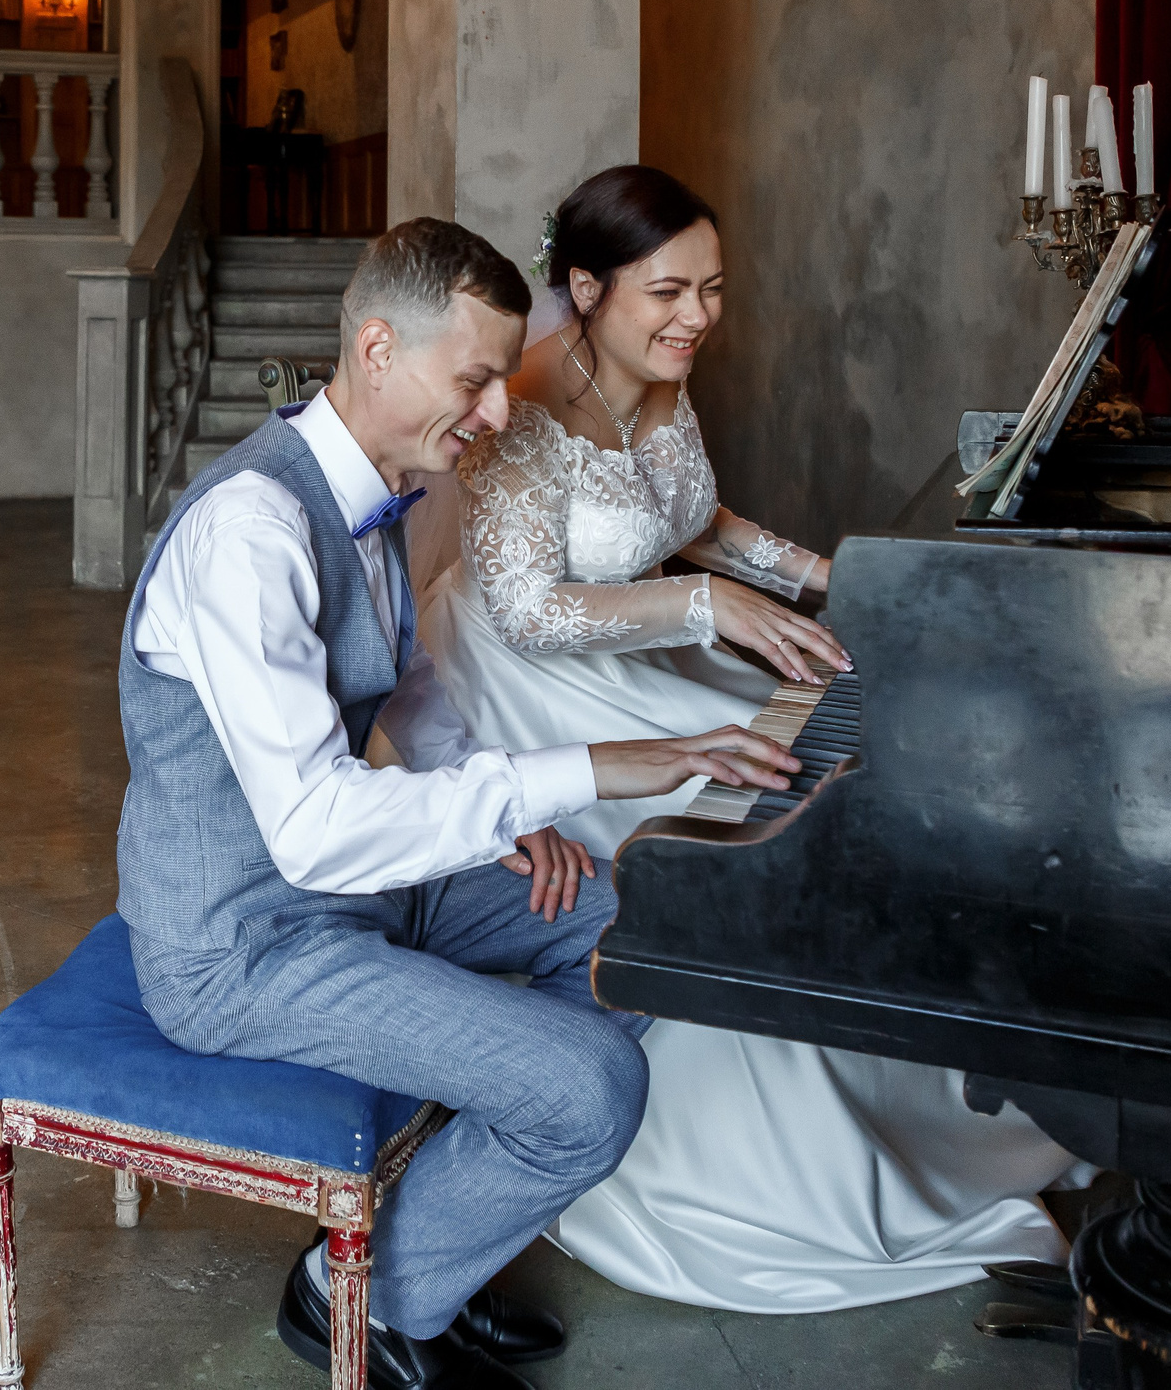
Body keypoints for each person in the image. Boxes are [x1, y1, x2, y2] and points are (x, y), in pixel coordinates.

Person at [118, 217, 799, 1389]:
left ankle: (422, 1247)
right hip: (246, 937)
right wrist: (588, 767)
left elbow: (408, 692)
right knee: (591, 1088)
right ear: (377, 347)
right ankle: (368, 1299)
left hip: (361, 893)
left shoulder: (378, 489)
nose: (495, 414)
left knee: (651, 920)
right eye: (474, 379)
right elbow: (319, 828)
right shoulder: (252, 531)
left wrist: (503, 815)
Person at [414, 166, 1090, 1313]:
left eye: (714, 290)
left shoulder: (663, 376)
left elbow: (695, 521)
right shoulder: (521, 407)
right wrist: (709, 609)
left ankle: (900, 1078)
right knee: (753, 809)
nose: (697, 319)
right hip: (537, 671)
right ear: (584, 289)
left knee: (823, 755)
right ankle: (754, 1163)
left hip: (641, 635)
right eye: (668, 292)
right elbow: (529, 606)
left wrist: (834, 580)